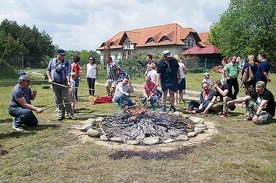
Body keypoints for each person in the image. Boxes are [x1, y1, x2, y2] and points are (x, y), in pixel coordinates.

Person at [46, 48, 76, 121]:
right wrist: (49, 78)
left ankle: (70, 114)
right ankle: (61, 114)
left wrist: (68, 81)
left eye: (64, 55)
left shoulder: (66, 63)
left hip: (64, 83)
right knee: (58, 99)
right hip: (55, 84)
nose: (63, 56)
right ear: (57, 54)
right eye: (61, 55)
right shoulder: (52, 61)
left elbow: (68, 73)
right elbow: (48, 71)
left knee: (66, 99)